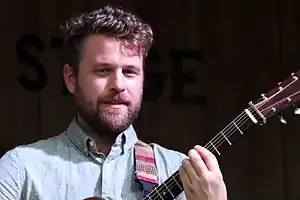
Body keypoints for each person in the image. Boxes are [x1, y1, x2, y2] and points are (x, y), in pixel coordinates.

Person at [0, 5, 227, 200]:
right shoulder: (21, 169)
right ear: (71, 79)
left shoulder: (183, 172)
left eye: (130, 72)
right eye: (103, 70)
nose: (118, 84)